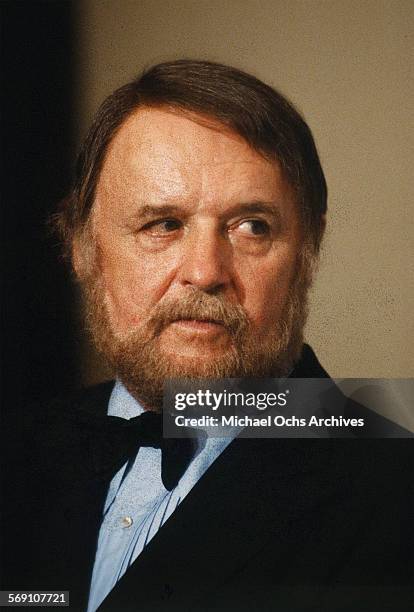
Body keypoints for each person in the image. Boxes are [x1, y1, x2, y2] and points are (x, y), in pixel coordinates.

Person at [3, 60, 412, 612]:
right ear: (79, 247)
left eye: (252, 227)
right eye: (162, 224)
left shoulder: (396, 492)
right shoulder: (20, 451)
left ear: (309, 252)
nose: (205, 271)